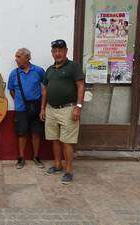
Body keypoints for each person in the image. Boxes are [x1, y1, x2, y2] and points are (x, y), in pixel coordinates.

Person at [40, 40, 85, 184]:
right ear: (52, 53)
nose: (57, 53)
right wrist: (42, 108)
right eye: (55, 51)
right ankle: (58, 165)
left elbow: (81, 86)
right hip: (51, 109)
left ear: (66, 51)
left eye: (60, 50)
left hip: (68, 109)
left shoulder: (74, 67)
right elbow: (45, 90)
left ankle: (69, 171)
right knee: (55, 139)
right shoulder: (50, 70)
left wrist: (78, 107)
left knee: (67, 142)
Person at [7, 48, 45, 169]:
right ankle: (21, 157)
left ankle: (36, 156)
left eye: (18, 56)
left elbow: (45, 88)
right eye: (16, 56)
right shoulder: (14, 73)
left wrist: (42, 107)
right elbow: (11, 90)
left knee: (36, 133)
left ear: (27, 57)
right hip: (21, 109)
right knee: (22, 133)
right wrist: (19, 101)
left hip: (36, 108)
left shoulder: (39, 71)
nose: (16, 59)